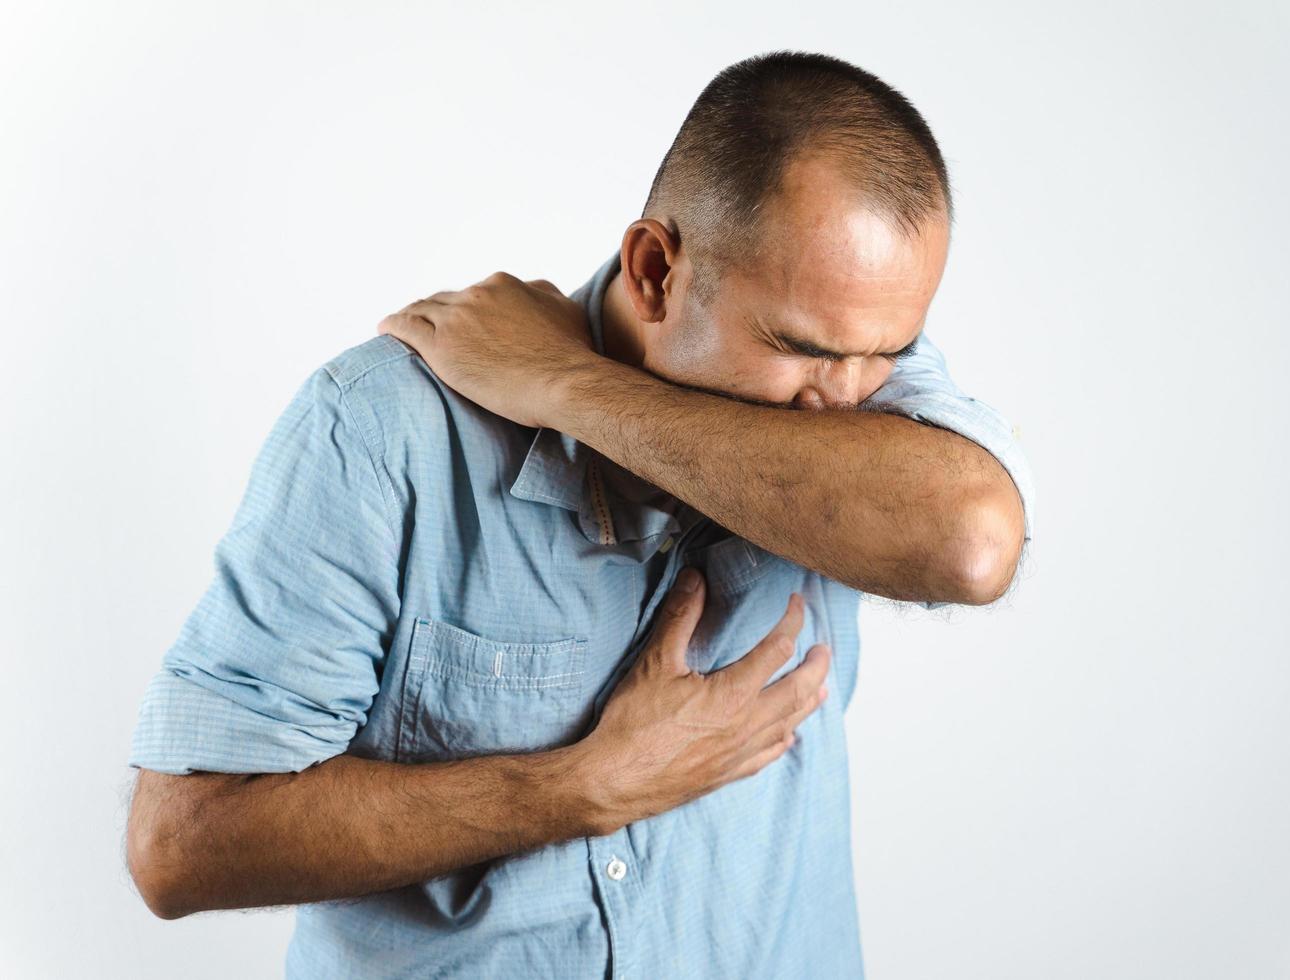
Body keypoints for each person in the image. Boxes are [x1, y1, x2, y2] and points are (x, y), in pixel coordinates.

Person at [124, 49, 1035, 978]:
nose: (844, 401)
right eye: (800, 350)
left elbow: (971, 545)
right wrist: (583, 788)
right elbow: (182, 843)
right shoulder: (379, 429)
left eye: (891, 351)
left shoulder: (861, 360)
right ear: (654, 270)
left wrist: (567, 387)